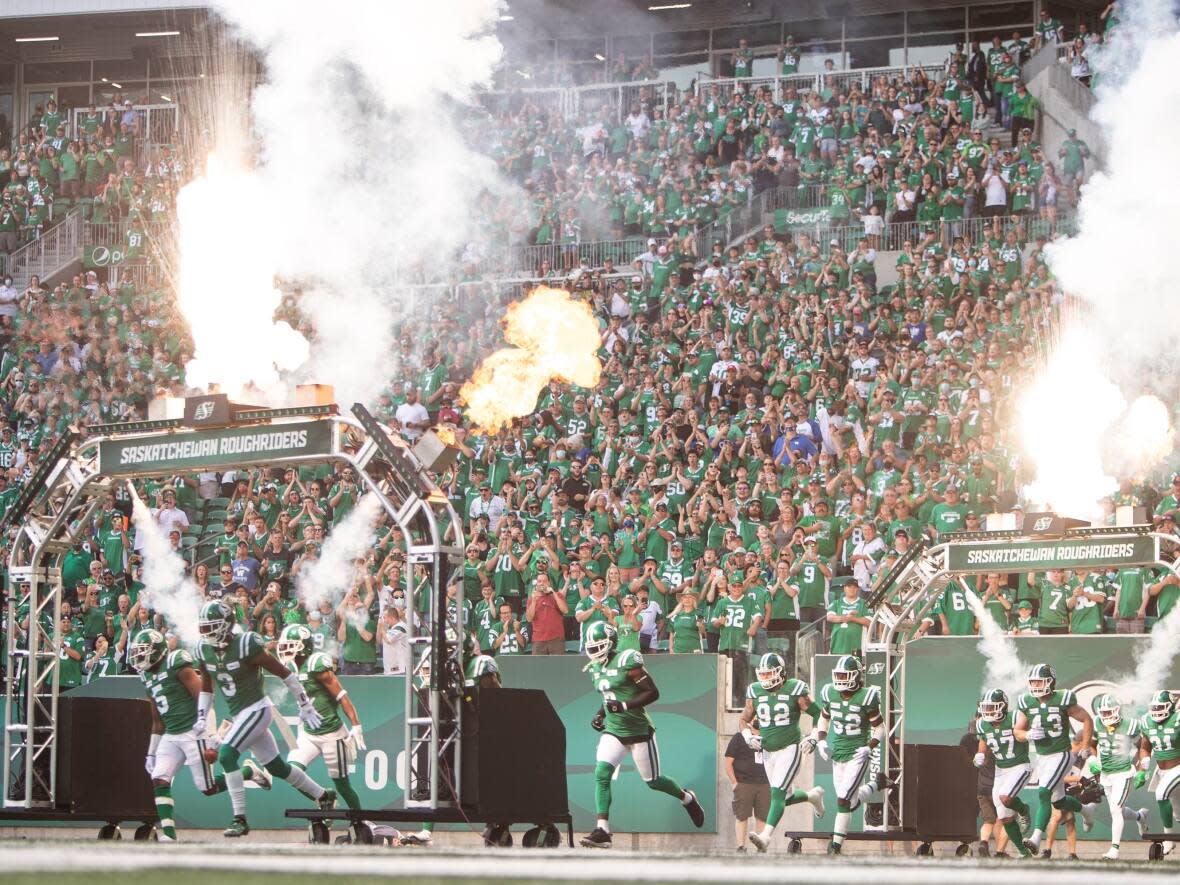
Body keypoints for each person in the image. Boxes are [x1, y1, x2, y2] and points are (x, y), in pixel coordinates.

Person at [195, 599, 335, 837]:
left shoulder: (245, 644)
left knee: (227, 755)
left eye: (212, 627)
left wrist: (304, 704)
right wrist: (201, 716)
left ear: (226, 625)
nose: (207, 633)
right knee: (278, 768)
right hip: (241, 714)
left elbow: (285, 673)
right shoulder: (203, 649)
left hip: (258, 709)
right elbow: (207, 688)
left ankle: (239, 818)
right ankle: (323, 795)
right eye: (204, 627)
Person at [579, 621, 704, 847]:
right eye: (592, 646)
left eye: (599, 645)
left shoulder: (628, 661)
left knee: (653, 781)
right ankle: (602, 830)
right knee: (601, 774)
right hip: (615, 730)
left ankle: (687, 798)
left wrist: (625, 706)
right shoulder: (595, 668)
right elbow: (609, 696)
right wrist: (601, 714)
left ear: (611, 643)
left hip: (639, 731)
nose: (595, 651)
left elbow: (652, 692)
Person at [269, 624, 367, 828]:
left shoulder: (316, 662)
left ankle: (360, 822)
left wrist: (356, 724)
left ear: (303, 646)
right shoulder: (289, 666)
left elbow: (341, 694)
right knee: (291, 771)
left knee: (344, 786)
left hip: (332, 733)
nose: (286, 649)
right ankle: (324, 797)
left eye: (291, 645)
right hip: (308, 733)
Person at [131, 628, 223, 842]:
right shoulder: (146, 675)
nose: (139, 656)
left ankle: (248, 772)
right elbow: (157, 720)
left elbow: (205, 696)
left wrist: (209, 732)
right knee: (159, 779)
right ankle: (169, 836)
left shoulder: (175, 661)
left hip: (193, 730)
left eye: (143, 651)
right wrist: (150, 753)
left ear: (156, 651)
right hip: (171, 734)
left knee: (207, 788)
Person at [739, 652, 825, 851]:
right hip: (768, 751)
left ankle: (765, 837)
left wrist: (813, 736)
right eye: (763, 674)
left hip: (790, 747)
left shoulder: (795, 688)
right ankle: (812, 796)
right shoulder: (755, 691)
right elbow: (744, 719)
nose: (766, 678)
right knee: (784, 798)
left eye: (770, 674)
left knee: (776, 794)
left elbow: (819, 713)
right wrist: (748, 736)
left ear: (781, 672)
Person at [1014, 663, 1095, 855]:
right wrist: (1028, 735)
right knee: (1058, 802)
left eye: (1039, 681)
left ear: (1050, 682)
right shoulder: (1027, 701)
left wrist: (1085, 745)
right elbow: (1017, 731)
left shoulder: (1063, 699)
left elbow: (1087, 719)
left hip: (1061, 754)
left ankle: (1036, 838)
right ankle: (1086, 810)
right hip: (1043, 757)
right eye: (1033, 682)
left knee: (1043, 792)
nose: (1035, 685)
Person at [806, 655, 883, 854]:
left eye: (845, 675)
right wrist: (822, 740)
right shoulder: (829, 693)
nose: (840, 679)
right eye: (838, 674)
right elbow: (824, 718)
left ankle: (836, 846)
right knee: (851, 801)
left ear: (857, 676)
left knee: (842, 799)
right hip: (838, 753)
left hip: (858, 754)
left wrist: (870, 746)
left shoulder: (867, 696)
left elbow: (880, 728)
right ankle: (877, 784)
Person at [1086, 693, 1148, 859]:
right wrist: (1092, 759)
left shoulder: (1130, 725)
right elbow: (1092, 744)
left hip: (1123, 773)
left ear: (1117, 710)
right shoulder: (1098, 723)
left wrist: (1141, 768)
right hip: (1106, 774)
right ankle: (1140, 816)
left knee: (1115, 809)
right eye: (1103, 712)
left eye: (1108, 712)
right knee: (1118, 810)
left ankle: (1114, 849)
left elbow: (1143, 747)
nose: (1105, 716)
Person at [974, 688, 1032, 857]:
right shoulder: (982, 724)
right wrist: (978, 757)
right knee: (1004, 817)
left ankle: (1023, 810)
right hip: (1001, 770)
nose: (987, 711)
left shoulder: (1015, 717)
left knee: (1005, 797)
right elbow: (982, 751)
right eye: (985, 708)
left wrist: (1027, 733)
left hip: (1020, 766)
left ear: (1002, 707)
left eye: (991, 707)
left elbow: (1021, 732)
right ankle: (1024, 854)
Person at [1138, 689, 1180, 856]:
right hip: (1162, 770)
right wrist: (1143, 766)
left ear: (1170, 707)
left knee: (1161, 793)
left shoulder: (1177, 719)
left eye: (1160, 707)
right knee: (1178, 812)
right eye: (1154, 708)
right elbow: (1144, 747)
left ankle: (1168, 838)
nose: (1156, 711)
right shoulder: (1147, 721)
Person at [724, 724, 769, 854]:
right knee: (742, 816)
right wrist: (734, 782)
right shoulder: (739, 737)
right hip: (743, 783)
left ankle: (760, 847)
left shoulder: (769, 737)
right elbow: (728, 763)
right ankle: (741, 847)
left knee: (762, 817)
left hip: (765, 784)